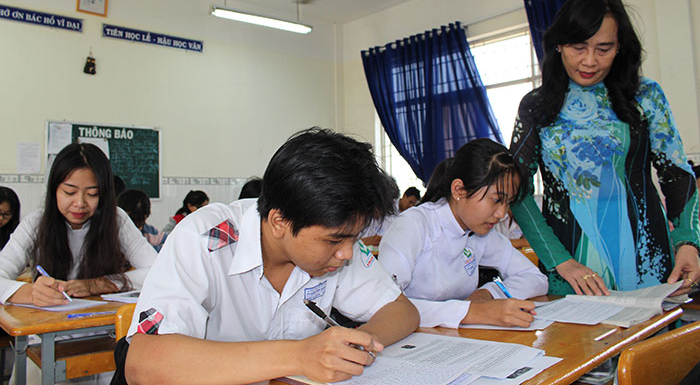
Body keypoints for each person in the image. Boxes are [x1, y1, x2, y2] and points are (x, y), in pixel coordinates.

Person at [124, 128, 419, 384]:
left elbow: (402, 311)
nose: (346, 253)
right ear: (280, 222)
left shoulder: (338, 246)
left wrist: (354, 347)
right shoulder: (206, 238)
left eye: (354, 237)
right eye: (334, 240)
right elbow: (143, 364)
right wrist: (300, 356)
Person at [509, 0, 700, 296]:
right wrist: (560, 261)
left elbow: (676, 173)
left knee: (652, 329)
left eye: (604, 48)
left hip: (648, 258)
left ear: (620, 47)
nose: (589, 61)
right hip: (570, 266)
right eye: (578, 47)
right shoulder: (536, 106)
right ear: (559, 44)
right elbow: (516, 189)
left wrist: (688, 241)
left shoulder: (646, 96)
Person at [378, 138, 547, 329]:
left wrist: (489, 293)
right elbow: (384, 304)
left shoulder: (480, 232)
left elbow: (536, 278)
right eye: (496, 200)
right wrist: (472, 312)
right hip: (409, 338)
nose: (501, 213)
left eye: (508, 202)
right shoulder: (413, 225)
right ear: (459, 190)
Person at [0, 143, 157, 307]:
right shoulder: (36, 223)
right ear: (54, 190)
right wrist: (31, 293)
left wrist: (98, 284)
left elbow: (158, 270)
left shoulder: (116, 219)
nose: (80, 203)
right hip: (48, 321)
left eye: (92, 194)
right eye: (69, 192)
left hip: (102, 319)